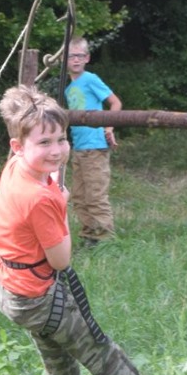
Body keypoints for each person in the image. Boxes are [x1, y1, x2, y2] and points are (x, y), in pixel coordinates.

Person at [0, 85, 187, 375]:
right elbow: (61, 259)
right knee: (98, 349)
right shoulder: (40, 198)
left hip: (12, 289)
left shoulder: (16, 168)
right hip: (37, 294)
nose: (57, 150)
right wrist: (61, 204)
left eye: (61, 139)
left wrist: (47, 170)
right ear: (18, 147)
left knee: (56, 353)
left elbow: (39, 163)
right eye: (44, 143)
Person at [63, 38, 120, 244]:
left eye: (80, 55)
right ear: (64, 60)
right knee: (79, 195)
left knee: (95, 195)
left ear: (87, 58)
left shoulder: (90, 79)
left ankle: (106, 239)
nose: (76, 60)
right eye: (71, 56)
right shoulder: (69, 88)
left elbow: (115, 103)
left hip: (95, 146)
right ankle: (89, 235)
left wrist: (108, 127)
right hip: (79, 147)